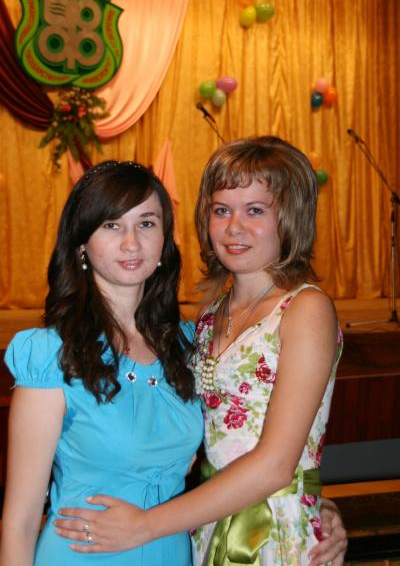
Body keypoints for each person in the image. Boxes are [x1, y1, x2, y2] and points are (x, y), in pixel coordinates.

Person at [52, 137, 347, 565]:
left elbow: (277, 465)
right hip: (206, 522)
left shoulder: (305, 309)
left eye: (255, 211)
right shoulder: (207, 318)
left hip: (272, 534)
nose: (234, 227)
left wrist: (144, 525)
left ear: (290, 216)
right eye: (221, 210)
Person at [0, 161, 204, 566]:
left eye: (146, 223)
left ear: (165, 239)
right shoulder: (50, 354)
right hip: (82, 556)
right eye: (112, 225)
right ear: (82, 243)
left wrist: (316, 507)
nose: (131, 243)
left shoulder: (187, 345)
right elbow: (20, 521)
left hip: (171, 552)